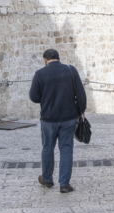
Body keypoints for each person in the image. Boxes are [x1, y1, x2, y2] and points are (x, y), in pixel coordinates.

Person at [29, 49, 86, 193]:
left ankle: (47, 178)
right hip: (68, 117)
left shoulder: (40, 74)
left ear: (45, 60)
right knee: (66, 149)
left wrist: (46, 97)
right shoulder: (71, 70)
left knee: (47, 148)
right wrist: (81, 111)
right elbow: (81, 93)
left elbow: (34, 97)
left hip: (48, 118)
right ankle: (64, 184)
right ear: (59, 58)